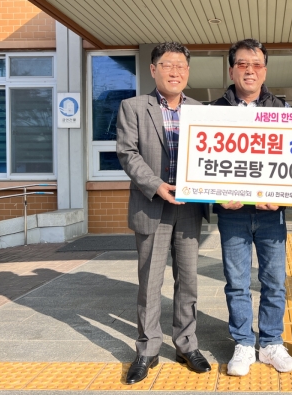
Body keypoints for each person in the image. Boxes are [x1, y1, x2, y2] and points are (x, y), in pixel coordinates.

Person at [116, 42, 211, 384]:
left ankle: (186, 343)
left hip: (189, 209)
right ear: (153, 69)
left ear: (188, 71)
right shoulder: (133, 107)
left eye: (181, 66)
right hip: (152, 205)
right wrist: (156, 185)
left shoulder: (201, 110)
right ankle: (147, 349)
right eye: (168, 65)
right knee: (150, 283)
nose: (175, 72)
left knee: (188, 281)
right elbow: (127, 153)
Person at [211, 39, 292, 376]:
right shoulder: (212, 112)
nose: (250, 70)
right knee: (236, 282)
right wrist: (217, 195)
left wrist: (282, 196)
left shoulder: (283, 110)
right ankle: (244, 343)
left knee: (275, 281)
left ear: (265, 70)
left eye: (257, 64)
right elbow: (203, 166)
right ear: (231, 70)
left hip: (271, 214)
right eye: (243, 64)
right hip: (231, 214)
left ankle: (272, 343)